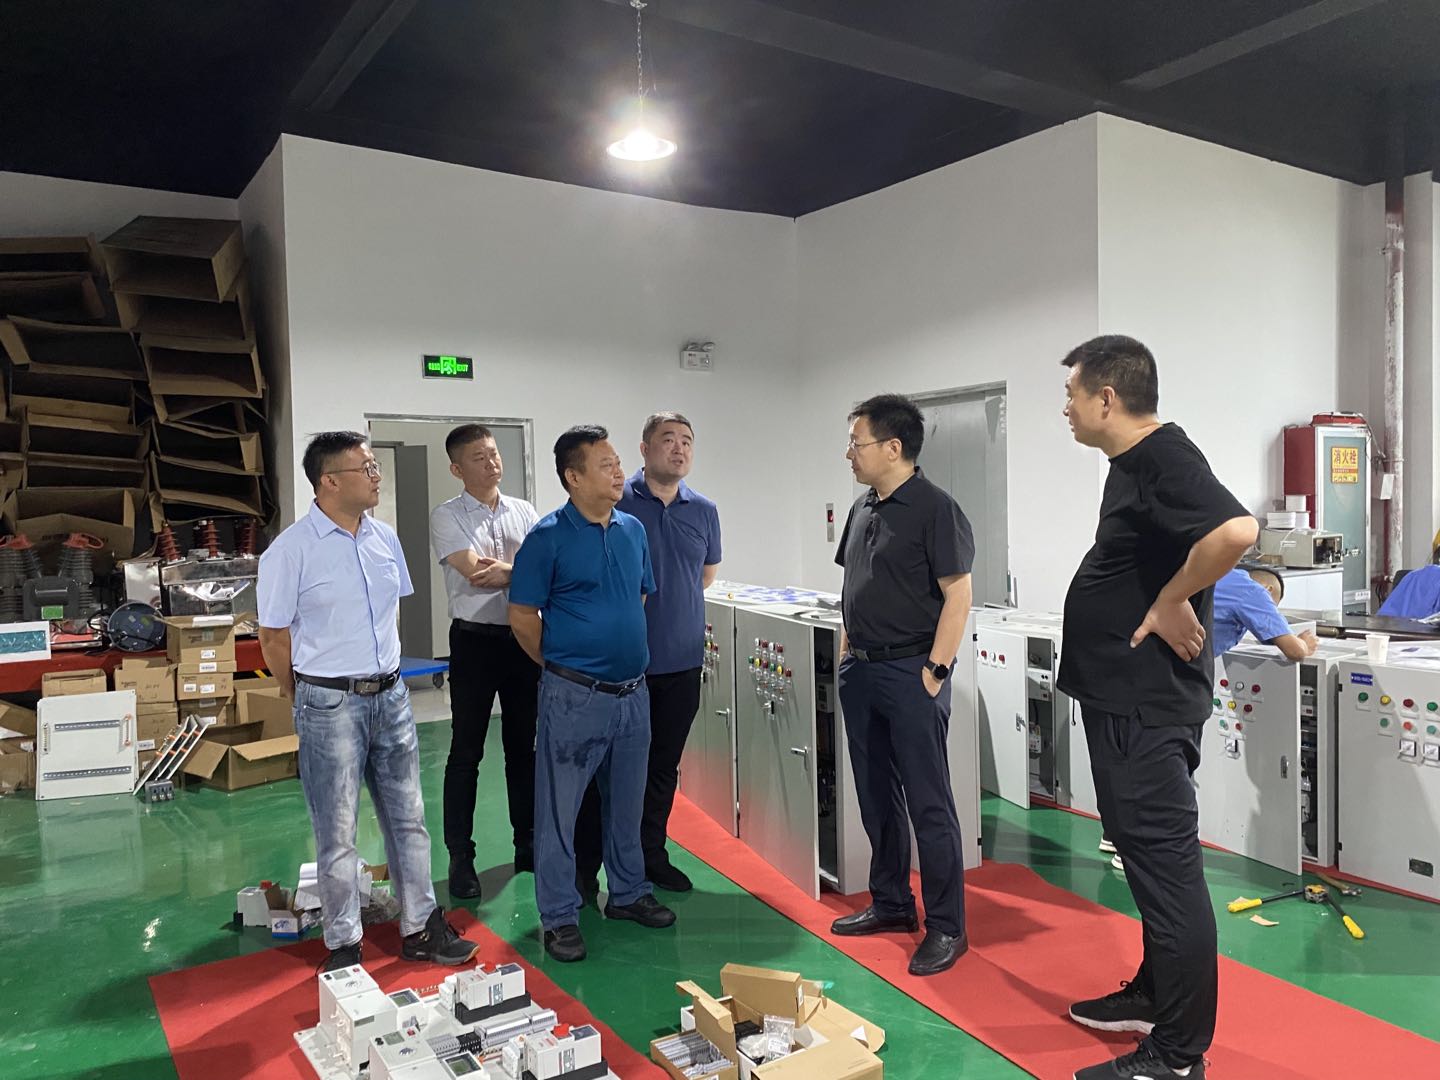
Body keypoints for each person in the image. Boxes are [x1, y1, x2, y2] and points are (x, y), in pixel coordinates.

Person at [1058, 336, 1257, 1080]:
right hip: (1124, 701)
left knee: (1170, 877)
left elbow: (1237, 531)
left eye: (1073, 394)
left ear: (1107, 397)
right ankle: (1153, 993)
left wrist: (1173, 599)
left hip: (1145, 708)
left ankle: (1177, 1055)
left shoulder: (1164, 455)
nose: (1066, 408)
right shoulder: (1132, 465)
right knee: (1146, 867)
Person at [257, 431, 478, 973]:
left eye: (376, 465)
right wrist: (302, 693)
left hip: (391, 697)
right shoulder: (291, 550)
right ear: (329, 481)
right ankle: (343, 942)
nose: (377, 475)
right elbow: (274, 636)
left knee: (409, 819)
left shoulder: (384, 538)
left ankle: (420, 927)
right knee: (337, 830)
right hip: (329, 702)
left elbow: (387, 613)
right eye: (367, 468)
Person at [508, 425, 677, 963]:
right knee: (559, 811)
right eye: (606, 465)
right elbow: (522, 616)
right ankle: (559, 916)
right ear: (573, 477)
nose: (619, 472)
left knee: (627, 803)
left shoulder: (631, 530)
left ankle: (628, 892)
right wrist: (563, 665)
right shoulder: (547, 538)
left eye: (618, 462)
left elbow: (639, 598)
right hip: (574, 697)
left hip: (633, 694)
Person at [830, 393, 974, 978]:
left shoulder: (936, 509)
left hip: (912, 672)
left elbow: (958, 595)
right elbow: (854, 582)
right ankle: (891, 901)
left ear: (893, 447)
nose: (849, 454)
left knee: (928, 802)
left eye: (856, 443)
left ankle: (947, 927)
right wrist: (848, 646)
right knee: (875, 795)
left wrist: (936, 670)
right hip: (862, 671)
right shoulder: (863, 507)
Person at [574, 412, 722, 894]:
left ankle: (649, 855)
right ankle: (585, 866)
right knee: (604, 770)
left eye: (687, 441)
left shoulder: (703, 510)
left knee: (661, 770)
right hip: (621, 668)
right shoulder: (617, 500)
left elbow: (704, 576)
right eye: (668, 439)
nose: (679, 449)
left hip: (682, 663)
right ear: (643, 448)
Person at [429, 423, 541, 900]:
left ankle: (528, 845)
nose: (492, 462)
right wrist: (522, 572)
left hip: (524, 639)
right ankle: (461, 857)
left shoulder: (525, 511)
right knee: (466, 752)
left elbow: (543, 571)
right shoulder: (446, 515)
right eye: (479, 457)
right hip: (474, 642)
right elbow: (475, 573)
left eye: (494, 453)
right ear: (457, 468)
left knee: (524, 749)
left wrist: (512, 572)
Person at [1212, 564, 1318, 660]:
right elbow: (1295, 651)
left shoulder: (1221, 575)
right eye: (1271, 607)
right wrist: (1305, 644)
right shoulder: (1253, 591)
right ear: (1268, 590)